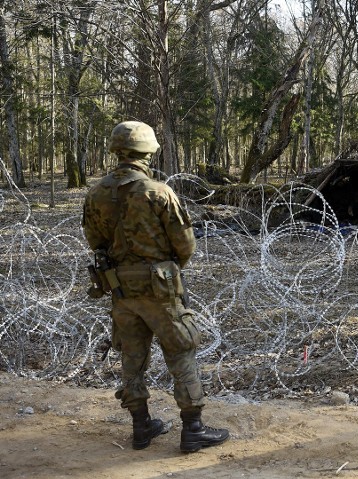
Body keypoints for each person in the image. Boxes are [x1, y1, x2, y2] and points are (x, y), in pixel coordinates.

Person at [82, 121, 229, 452]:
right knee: (180, 350)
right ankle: (192, 428)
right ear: (148, 152)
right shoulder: (158, 192)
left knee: (132, 357)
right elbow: (185, 245)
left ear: (116, 151)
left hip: (120, 290)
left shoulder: (95, 194)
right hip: (159, 291)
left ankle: (141, 426)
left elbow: (95, 241)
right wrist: (166, 268)